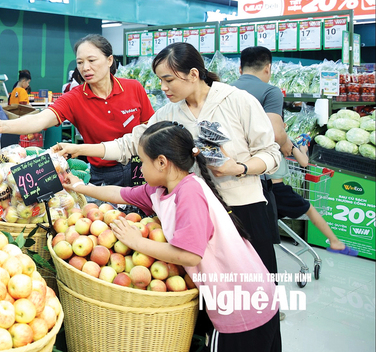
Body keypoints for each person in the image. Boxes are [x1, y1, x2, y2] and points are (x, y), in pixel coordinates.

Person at [55, 42, 281, 276]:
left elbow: (271, 153)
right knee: (210, 293)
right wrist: (79, 149)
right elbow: (128, 144)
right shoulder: (169, 113)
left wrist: (239, 167)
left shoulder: (237, 101)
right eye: (160, 80)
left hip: (244, 210)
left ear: (193, 74)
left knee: (254, 288)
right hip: (194, 214)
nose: (163, 87)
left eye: (168, 80)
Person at [61, 121, 280, 352]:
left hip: (241, 304)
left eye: (143, 162)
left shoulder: (189, 193)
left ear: (162, 162)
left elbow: (190, 255)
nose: (140, 169)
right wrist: (80, 187)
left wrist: (138, 242)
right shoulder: (162, 190)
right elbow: (120, 193)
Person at [233, 47, 356, 257]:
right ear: (268, 68)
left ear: (239, 68)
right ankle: (335, 242)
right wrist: (287, 145)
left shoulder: (224, 91)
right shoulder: (269, 91)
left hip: (235, 174)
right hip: (264, 178)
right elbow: (274, 132)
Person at [0, 35, 154, 187]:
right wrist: (2, 125)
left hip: (140, 169)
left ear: (109, 60)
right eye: (80, 62)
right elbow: (40, 120)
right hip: (104, 174)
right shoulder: (74, 98)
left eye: (91, 60)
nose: (85, 68)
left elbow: (152, 130)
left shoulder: (133, 88)